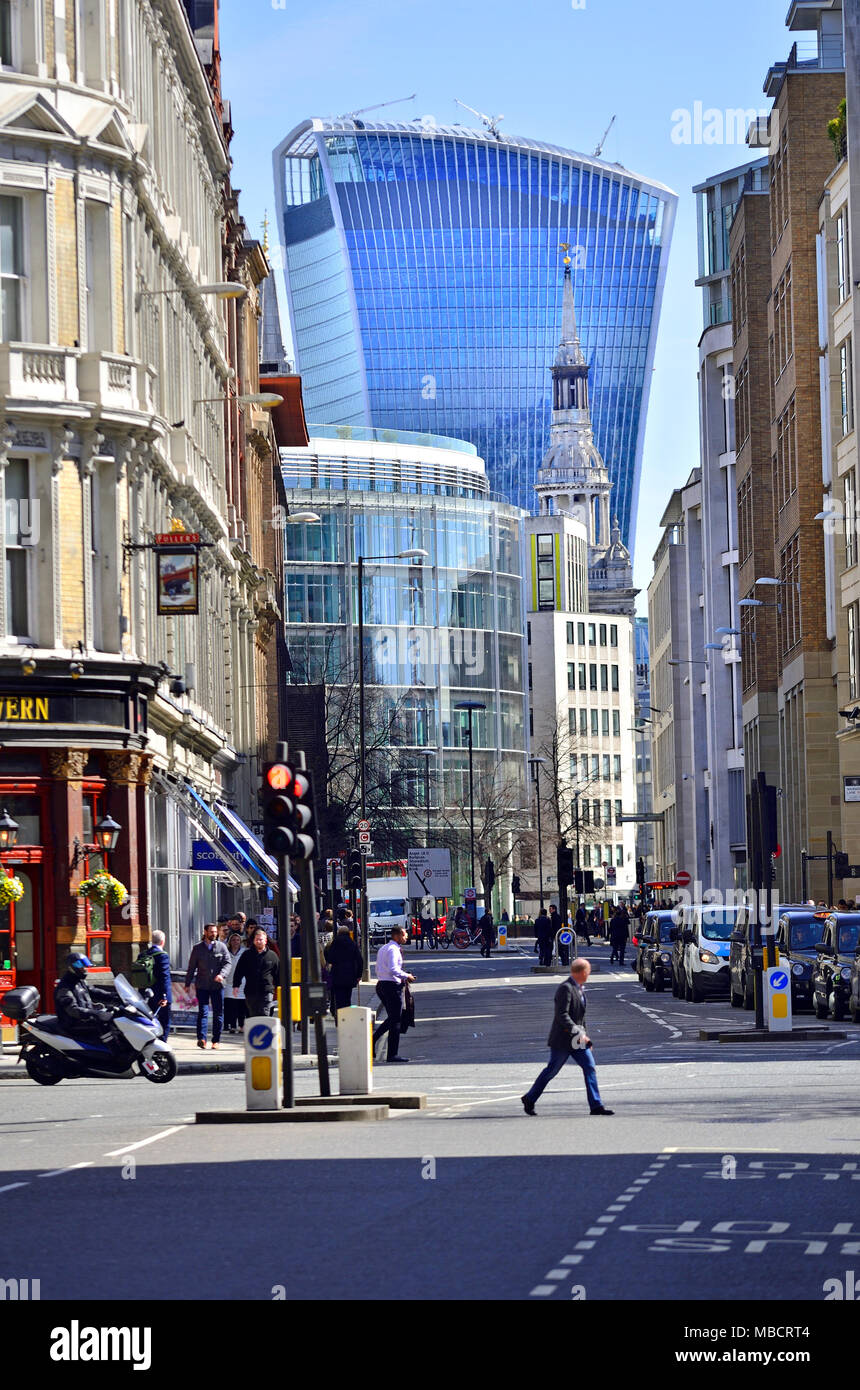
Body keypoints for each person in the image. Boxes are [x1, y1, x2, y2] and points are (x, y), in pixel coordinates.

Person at [521, 958, 613, 1117]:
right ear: (582, 972)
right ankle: (530, 1098)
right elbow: (561, 1015)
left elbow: (580, 1017)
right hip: (563, 1040)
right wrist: (579, 1033)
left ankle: (596, 1105)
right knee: (552, 1070)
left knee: (589, 1067)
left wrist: (585, 1037)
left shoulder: (579, 988)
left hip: (578, 1039)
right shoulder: (566, 988)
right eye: (588, 971)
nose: (589, 974)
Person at [372, 926, 415, 1063]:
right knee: (396, 1020)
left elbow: (378, 968)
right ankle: (392, 1054)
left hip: (383, 985)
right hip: (391, 986)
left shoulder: (384, 948)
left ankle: (372, 1039)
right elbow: (393, 969)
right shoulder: (393, 949)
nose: (406, 936)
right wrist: (406, 975)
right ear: (396, 936)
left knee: (392, 1017)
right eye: (404, 934)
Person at [184, 923, 230, 1050]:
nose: (214, 934)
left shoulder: (222, 947)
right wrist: (187, 983)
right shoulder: (197, 948)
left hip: (217, 985)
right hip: (202, 985)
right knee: (203, 1012)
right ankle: (202, 1039)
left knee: (218, 1013)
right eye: (211, 932)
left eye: (215, 932)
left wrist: (222, 975)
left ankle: (216, 1041)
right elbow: (191, 967)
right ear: (205, 932)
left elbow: (227, 963)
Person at [54, 954, 115, 1040]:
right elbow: (73, 1010)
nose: (85, 970)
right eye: (82, 968)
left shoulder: (79, 980)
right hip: (73, 1024)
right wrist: (96, 1013)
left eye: (85, 967)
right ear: (72, 968)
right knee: (106, 1028)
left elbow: (94, 991)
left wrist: (114, 995)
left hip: (85, 1019)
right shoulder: (64, 987)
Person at [232, 929, 280, 1020]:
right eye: (257, 939)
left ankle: (264, 1033)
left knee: (265, 1014)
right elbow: (239, 971)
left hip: (266, 990)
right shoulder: (247, 955)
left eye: (261, 939)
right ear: (254, 941)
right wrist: (236, 986)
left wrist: (279, 988)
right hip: (251, 991)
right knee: (253, 1016)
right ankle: (256, 1033)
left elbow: (278, 974)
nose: (258, 941)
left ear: (265, 941)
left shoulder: (272, 956)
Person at [136, 929, 173, 1041]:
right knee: (164, 1021)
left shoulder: (142, 955)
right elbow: (164, 977)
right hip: (159, 995)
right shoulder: (162, 956)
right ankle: (162, 1044)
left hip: (145, 994)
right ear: (163, 941)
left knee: (148, 1020)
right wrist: (165, 996)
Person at [324, 925, 364, 1020]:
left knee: (339, 998)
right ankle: (347, 1018)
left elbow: (330, 958)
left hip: (337, 975)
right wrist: (359, 975)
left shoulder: (335, 943)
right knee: (347, 997)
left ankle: (340, 1017)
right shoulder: (352, 944)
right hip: (350, 975)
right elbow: (360, 960)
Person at [224, 931, 247, 1033]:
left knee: (241, 1005)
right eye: (233, 940)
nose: (235, 942)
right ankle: (232, 1025)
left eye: (238, 940)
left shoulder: (244, 952)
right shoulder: (226, 952)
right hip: (228, 982)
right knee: (231, 1005)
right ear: (230, 941)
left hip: (242, 982)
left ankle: (242, 1025)